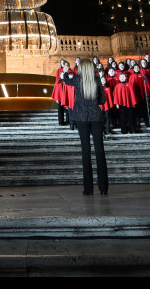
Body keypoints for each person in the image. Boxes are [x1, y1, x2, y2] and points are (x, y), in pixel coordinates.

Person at [62, 56, 108, 196]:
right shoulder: (96, 80)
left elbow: (65, 80)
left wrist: (64, 71)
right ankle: (103, 188)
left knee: (85, 151)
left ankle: (88, 189)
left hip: (81, 118)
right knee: (99, 151)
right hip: (96, 117)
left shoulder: (77, 79)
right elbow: (103, 99)